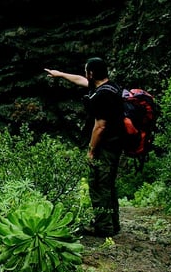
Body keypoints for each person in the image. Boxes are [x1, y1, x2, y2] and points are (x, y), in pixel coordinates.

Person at [45, 57, 124, 236]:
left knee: (98, 184)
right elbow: (81, 80)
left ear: (92, 73)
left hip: (105, 147)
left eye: (86, 71)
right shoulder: (111, 87)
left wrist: (91, 151)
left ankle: (103, 227)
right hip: (116, 145)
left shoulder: (102, 96)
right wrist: (60, 75)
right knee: (109, 184)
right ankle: (113, 223)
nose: (85, 74)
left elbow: (100, 126)